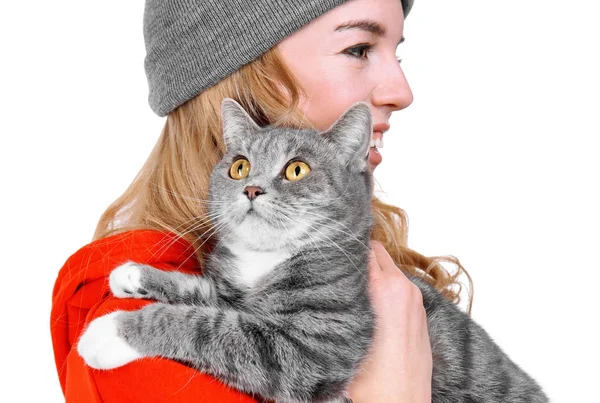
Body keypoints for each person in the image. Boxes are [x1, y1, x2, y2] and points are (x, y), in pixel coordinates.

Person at [50, 0, 471, 401]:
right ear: (243, 74)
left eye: (397, 54)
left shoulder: (354, 265)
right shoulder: (143, 354)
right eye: (358, 48)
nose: (402, 91)